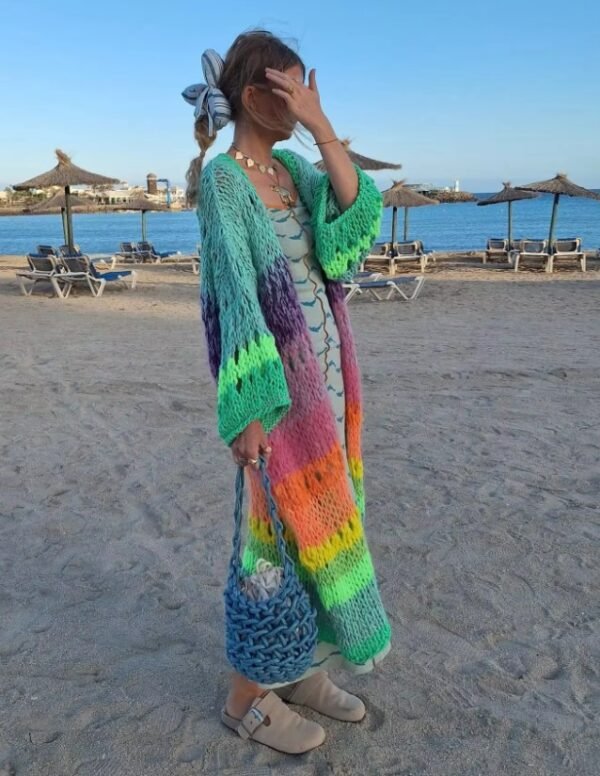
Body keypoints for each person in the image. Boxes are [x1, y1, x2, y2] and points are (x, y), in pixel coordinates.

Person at [183, 30, 391, 755]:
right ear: (253, 97)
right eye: (293, 89)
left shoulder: (297, 170)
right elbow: (232, 300)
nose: (305, 102)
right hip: (275, 401)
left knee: (327, 524)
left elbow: (349, 241)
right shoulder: (225, 182)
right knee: (270, 542)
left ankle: (299, 670)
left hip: (331, 389)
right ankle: (247, 697)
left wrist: (325, 130)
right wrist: (247, 413)